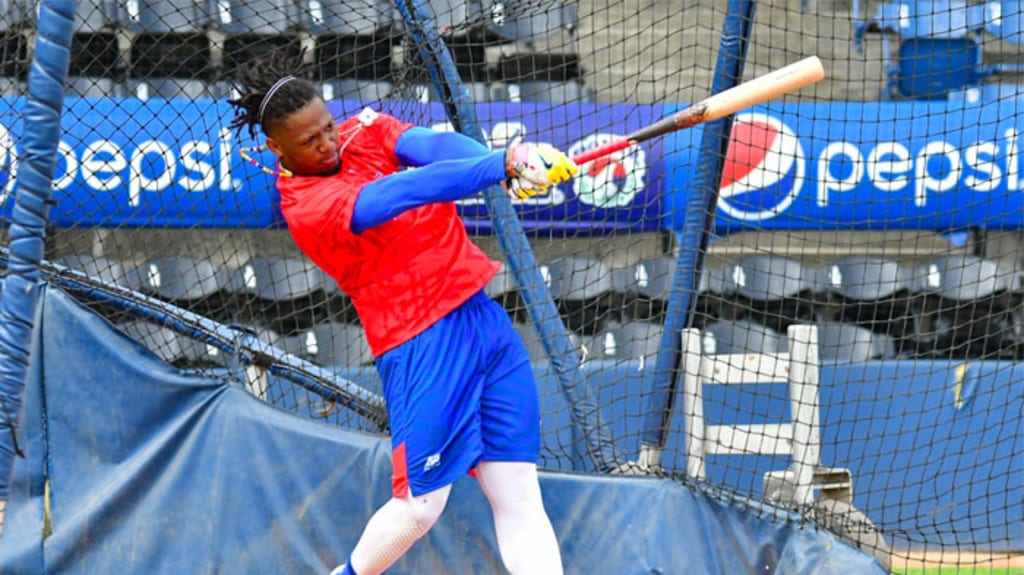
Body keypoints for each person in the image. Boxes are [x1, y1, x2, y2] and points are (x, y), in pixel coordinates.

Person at [228, 49, 577, 575]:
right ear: (278, 147)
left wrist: (507, 161)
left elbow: (433, 147)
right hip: (421, 343)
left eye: (326, 126)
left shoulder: (361, 131)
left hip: (480, 320)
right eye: (309, 140)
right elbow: (405, 190)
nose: (327, 143)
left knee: (519, 491)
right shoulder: (306, 206)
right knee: (419, 507)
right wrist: (498, 165)